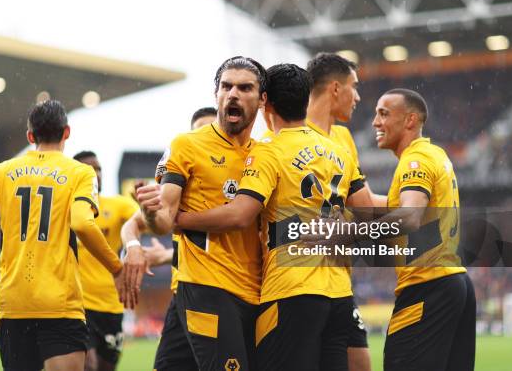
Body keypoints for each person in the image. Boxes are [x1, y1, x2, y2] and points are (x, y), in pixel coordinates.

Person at [173, 63, 372, 371]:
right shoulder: (338, 151)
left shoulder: (269, 151)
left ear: (266, 102)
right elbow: (366, 212)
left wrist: (182, 220)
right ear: (306, 100)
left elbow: (240, 214)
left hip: (292, 291)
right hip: (339, 294)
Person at [0, 100, 125, 371]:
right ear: (66, 133)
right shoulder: (81, 173)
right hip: (60, 305)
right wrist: (116, 268)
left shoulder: (2, 172)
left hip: (14, 306)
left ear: (30, 136)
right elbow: (82, 223)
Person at [126, 56, 267, 371]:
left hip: (256, 290)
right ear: (216, 94)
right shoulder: (187, 146)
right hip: (206, 286)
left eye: (245, 88)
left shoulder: (264, 154)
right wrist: (150, 212)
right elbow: (164, 221)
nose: (233, 94)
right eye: (226, 86)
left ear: (262, 100)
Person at [372, 89, 475, 371]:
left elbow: (410, 215)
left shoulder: (413, 161)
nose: (375, 122)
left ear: (410, 120)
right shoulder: (435, 154)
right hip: (454, 283)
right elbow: (401, 204)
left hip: (427, 286)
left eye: (383, 113)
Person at [306, 52, 385, 371]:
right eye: (354, 86)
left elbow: (362, 202)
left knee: (359, 363)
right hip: (300, 280)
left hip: (339, 278)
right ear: (335, 89)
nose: (358, 95)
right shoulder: (285, 138)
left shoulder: (343, 137)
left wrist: (413, 203)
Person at [130, 106, 218, 371]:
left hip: (222, 292)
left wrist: (168, 250)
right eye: (198, 131)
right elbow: (133, 226)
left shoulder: (238, 182)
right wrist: (134, 246)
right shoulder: (173, 186)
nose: (204, 137)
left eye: (211, 130)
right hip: (183, 292)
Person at [74, 151, 139, 371]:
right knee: (88, 365)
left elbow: (150, 224)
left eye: (98, 169)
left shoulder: (118, 205)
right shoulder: (64, 212)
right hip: (77, 306)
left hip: (112, 305)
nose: (96, 174)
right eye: (89, 169)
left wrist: (147, 210)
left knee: (105, 368)